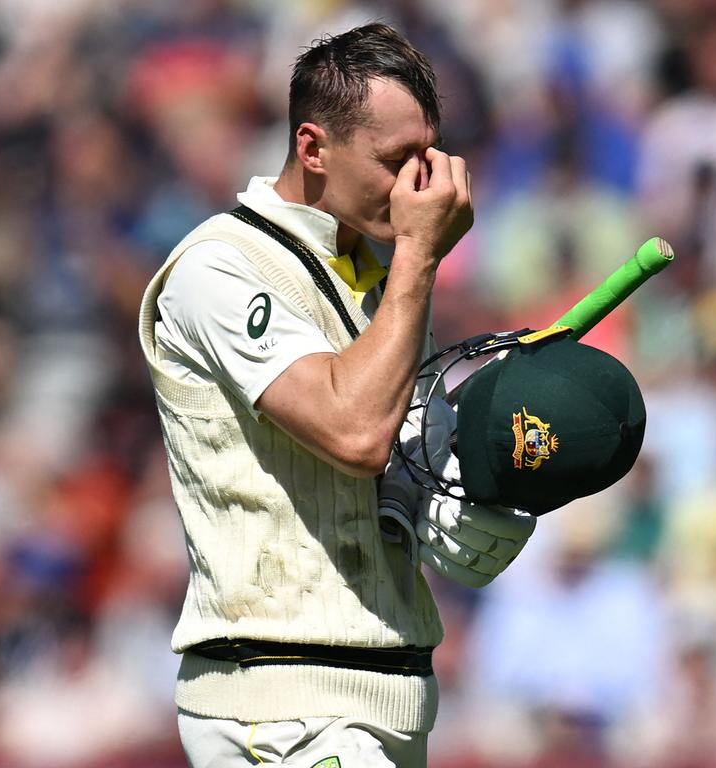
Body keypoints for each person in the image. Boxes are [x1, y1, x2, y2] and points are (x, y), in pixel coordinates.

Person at [138, 22, 534, 767]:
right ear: (314, 148)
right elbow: (353, 434)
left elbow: (393, 475)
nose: (421, 184)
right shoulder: (220, 266)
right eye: (394, 161)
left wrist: (493, 478)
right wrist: (420, 256)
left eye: (429, 155)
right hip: (282, 698)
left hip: (384, 691)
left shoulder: (380, 282)